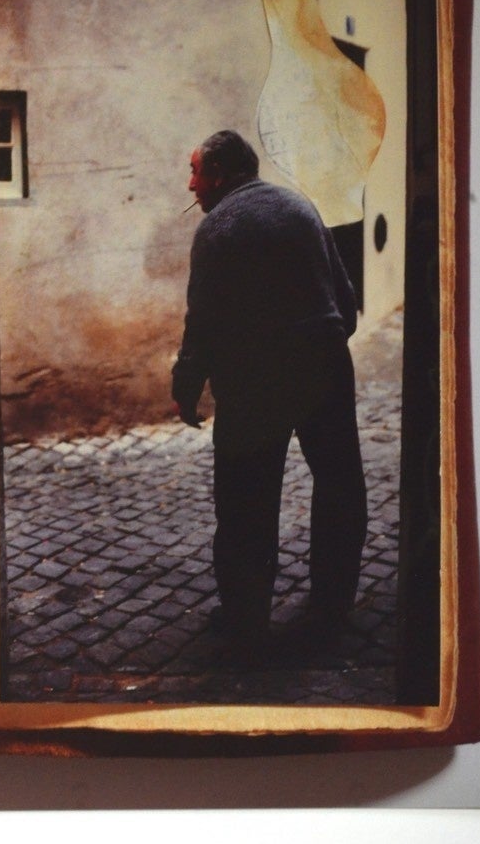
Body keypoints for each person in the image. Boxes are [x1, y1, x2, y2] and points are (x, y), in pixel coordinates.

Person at [170, 129, 368, 659]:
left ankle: (246, 619)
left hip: (255, 382)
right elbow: (345, 300)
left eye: (195, 172)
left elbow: (202, 322)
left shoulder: (218, 228)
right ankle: (331, 609)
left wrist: (186, 387)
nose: (190, 184)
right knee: (339, 488)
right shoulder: (299, 207)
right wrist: (323, 344)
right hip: (324, 366)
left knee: (245, 502)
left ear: (219, 175)